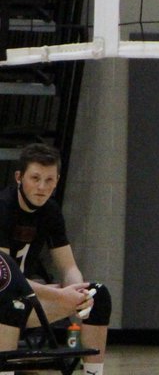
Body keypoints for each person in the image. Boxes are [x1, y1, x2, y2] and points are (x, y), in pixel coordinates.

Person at [0, 143, 109, 375]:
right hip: (6, 296)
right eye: (35, 178)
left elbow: (68, 266)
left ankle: (94, 373)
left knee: (98, 295)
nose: (42, 187)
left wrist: (77, 292)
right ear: (19, 177)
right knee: (11, 301)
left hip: (23, 297)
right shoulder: (3, 208)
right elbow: (7, 280)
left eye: (49, 180)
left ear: (57, 181)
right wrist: (60, 296)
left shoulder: (51, 212)